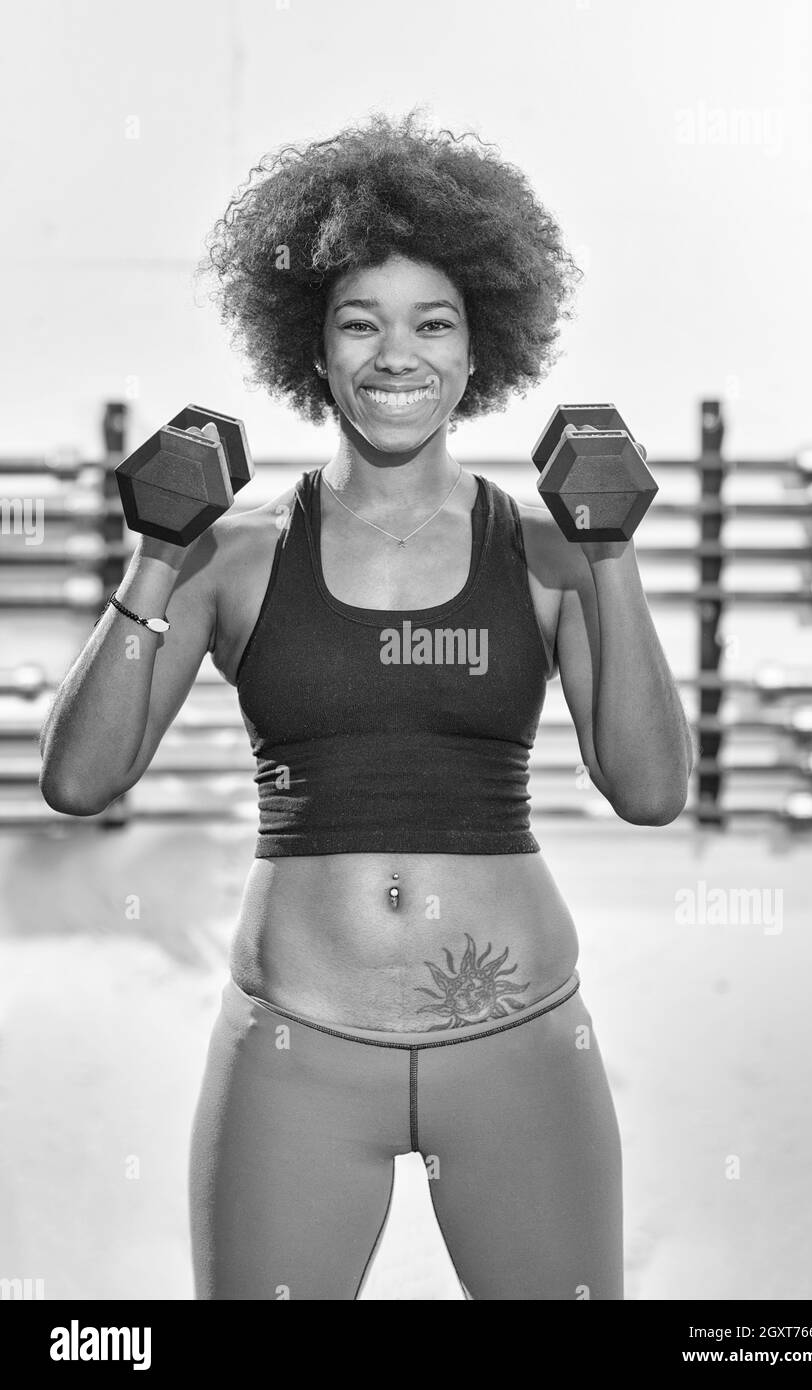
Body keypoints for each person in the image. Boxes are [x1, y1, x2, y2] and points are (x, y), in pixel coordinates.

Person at [39, 111, 693, 1300]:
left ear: (480, 344)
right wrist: (150, 555)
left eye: (433, 323)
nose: (400, 355)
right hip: (293, 1047)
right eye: (362, 323)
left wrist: (611, 556)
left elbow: (651, 791)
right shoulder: (229, 555)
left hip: (520, 1044)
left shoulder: (549, 551)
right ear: (315, 349)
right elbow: (79, 780)